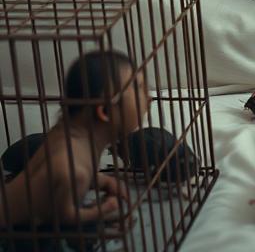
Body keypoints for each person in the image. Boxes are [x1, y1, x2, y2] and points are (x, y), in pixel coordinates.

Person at [0, 50, 149, 235]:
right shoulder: (74, 169)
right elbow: (64, 218)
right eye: (138, 88)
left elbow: (50, 185)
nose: (148, 98)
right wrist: (104, 209)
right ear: (105, 112)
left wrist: (100, 180)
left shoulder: (63, 135)